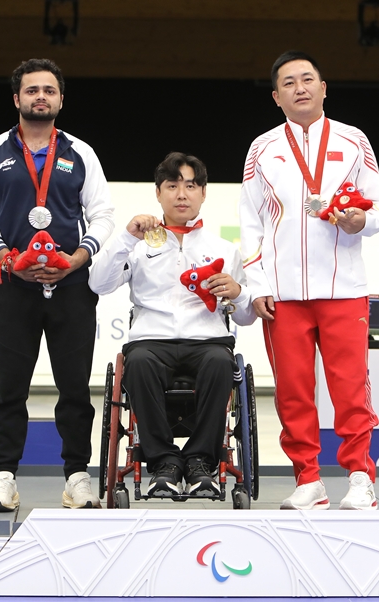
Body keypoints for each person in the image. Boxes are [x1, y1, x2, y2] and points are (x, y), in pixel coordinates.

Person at [239, 51, 379, 511]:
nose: (300, 87)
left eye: (308, 79)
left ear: (324, 88)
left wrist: (358, 222)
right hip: (283, 294)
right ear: (276, 97)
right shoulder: (262, 149)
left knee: (350, 387)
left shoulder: (353, 140)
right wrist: (257, 282)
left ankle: (361, 476)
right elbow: (250, 223)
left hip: (344, 288)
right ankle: (308, 477)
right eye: (289, 82)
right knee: (292, 390)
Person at [0, 58, 115, 511]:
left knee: (74, 388)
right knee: (10, 387)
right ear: (17, 99)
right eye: (32, 91)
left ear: (61, 100)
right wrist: (8, 259)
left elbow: (104, 215)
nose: (40, 97)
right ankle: (4, 477)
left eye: (49, 91)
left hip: (72, 287)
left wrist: (76, 260)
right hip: (14, 287)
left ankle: (77, 477)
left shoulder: (80, 152)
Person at [89, 152, 255, 497]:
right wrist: (126, 239)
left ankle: (199, 463)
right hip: (151, 340)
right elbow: (98, 284)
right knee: (140, 363)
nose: (182, 194)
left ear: (204, 193)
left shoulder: (224, 248)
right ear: (158, 192)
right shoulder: (137, 245)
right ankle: (164, 463)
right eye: (173, 185)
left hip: (208, 340)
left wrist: (238, 293)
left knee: (220, 363)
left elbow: (245, 317)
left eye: (191, 185)